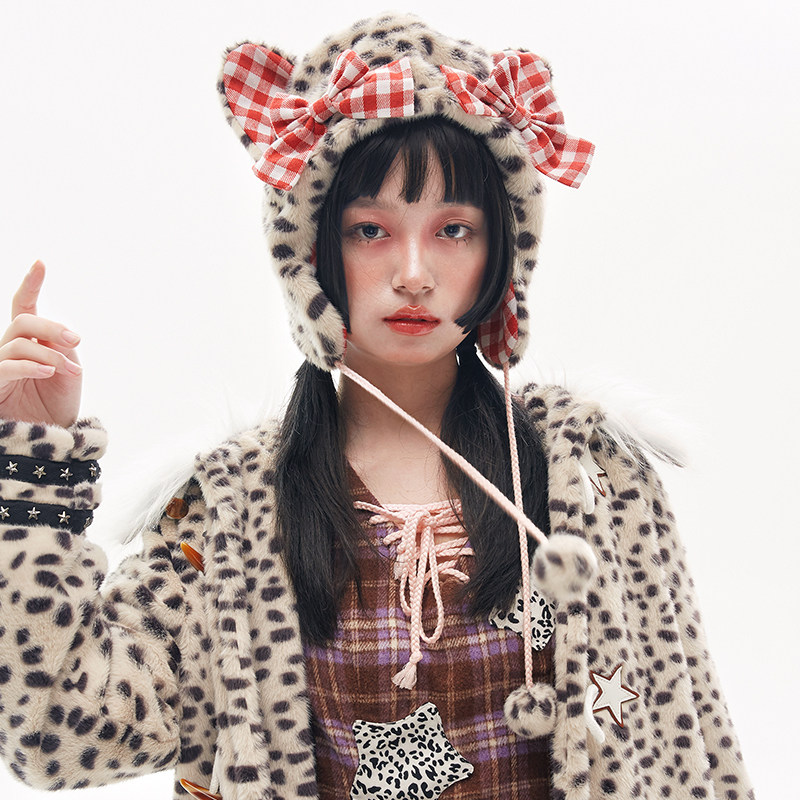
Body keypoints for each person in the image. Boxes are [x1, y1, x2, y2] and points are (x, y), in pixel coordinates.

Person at [0, 12, 754, 800]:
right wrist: (31, 467)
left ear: (502, 252)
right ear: (309, 252)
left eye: (454, 229)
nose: (414, 272)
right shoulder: (231, 506)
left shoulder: (587, 472)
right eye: (370, 230)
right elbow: (60, 736)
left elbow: (690, 746)